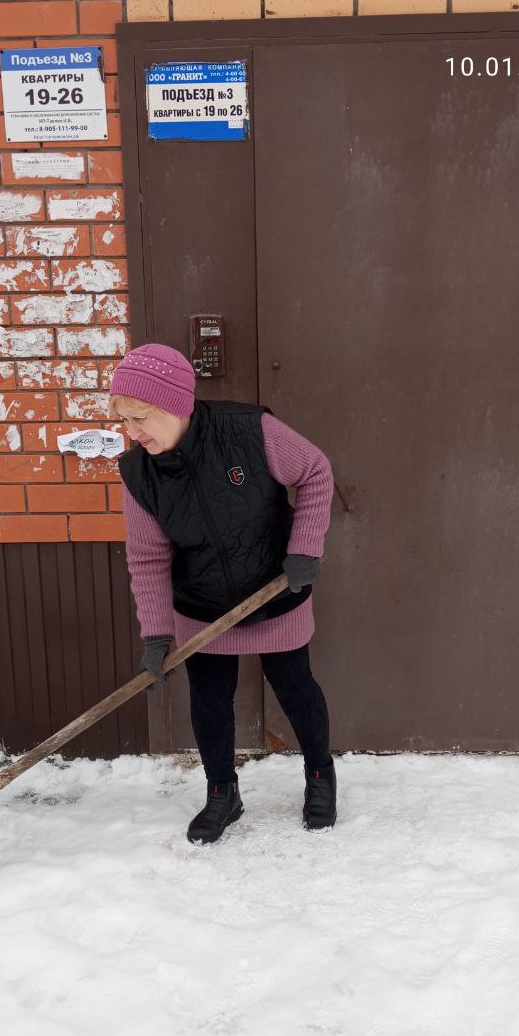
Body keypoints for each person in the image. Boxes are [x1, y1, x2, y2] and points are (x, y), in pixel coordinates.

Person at [109, 343, 336, 844]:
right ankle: (221, 792)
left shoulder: (250, 431)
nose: (132, 432)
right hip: (203, 608)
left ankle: (320, 774)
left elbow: (315, 472)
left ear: (175, 405)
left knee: (295, 688)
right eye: (124, 420)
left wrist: (304, 549)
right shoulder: (140, 476)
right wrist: (156, 636)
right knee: (210, 701)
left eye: (140, 418)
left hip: (275, 591)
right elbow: (147, 558)